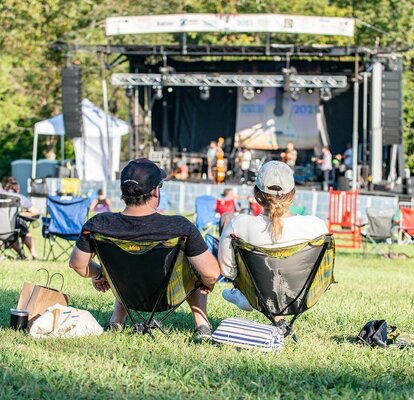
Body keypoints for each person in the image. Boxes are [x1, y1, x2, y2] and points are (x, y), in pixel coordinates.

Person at [69, 158, 220, 341]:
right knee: (197, 266)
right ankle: (201, 324)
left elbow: (77, 264)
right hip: (168, 298)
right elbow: (211, 274)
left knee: (125, 265)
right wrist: (207, 282)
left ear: (123, 191)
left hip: (127, 293)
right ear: (155, 191)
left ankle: (117, 321)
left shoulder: (98, 224)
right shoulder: (179, 227)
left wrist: (102, 273)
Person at [218, 161, 328, 326]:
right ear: (293, 193)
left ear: (256, 193)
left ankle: (243, 294)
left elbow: (227, 271)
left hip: (257, 293)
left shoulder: (239, 225)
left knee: (226, 220)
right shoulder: (317, 226)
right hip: (299, 297)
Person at [1, 177, 39, 259]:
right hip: (9, 231)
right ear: (17, 189)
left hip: (3, 230)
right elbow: (35, 212)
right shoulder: (17, 197)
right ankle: (33, 254)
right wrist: (18, 213)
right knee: (22, 228)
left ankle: (22, 255)